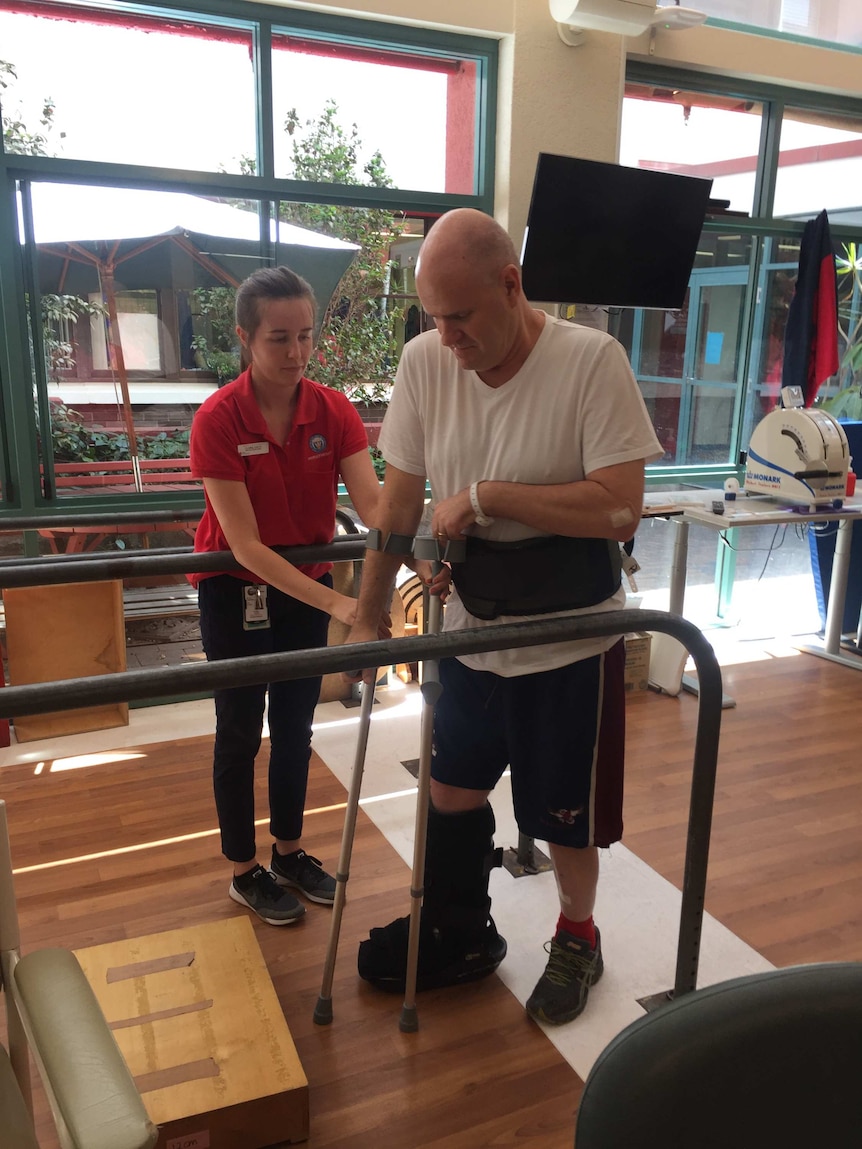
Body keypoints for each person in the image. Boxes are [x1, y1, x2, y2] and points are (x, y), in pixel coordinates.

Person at [345, 208, 663, 1026]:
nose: (447, 337)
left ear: (511, 284)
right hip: (472, 625)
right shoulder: (424, 364)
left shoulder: (591, 360)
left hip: (567, 635)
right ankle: (458, 924)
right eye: (434, 318)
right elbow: (400, 500)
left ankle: (577, 934)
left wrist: (486, 497)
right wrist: (371, 609)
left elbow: (621, 509)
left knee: (562, 815)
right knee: (451, 790)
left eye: (462, 317)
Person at [189, 264, 388, 927]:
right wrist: (342, 606)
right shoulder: (219, 417)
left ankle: (290, 851)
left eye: (305, 335)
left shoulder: (334, 410)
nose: (296, 352)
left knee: (297, 727)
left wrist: (440, 515)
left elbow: (376, 504)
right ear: (245, 338)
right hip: (234, 589)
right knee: (240, 731)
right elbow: (244, 545)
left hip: (306, 588)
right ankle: (244, 869)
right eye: (279, 338)